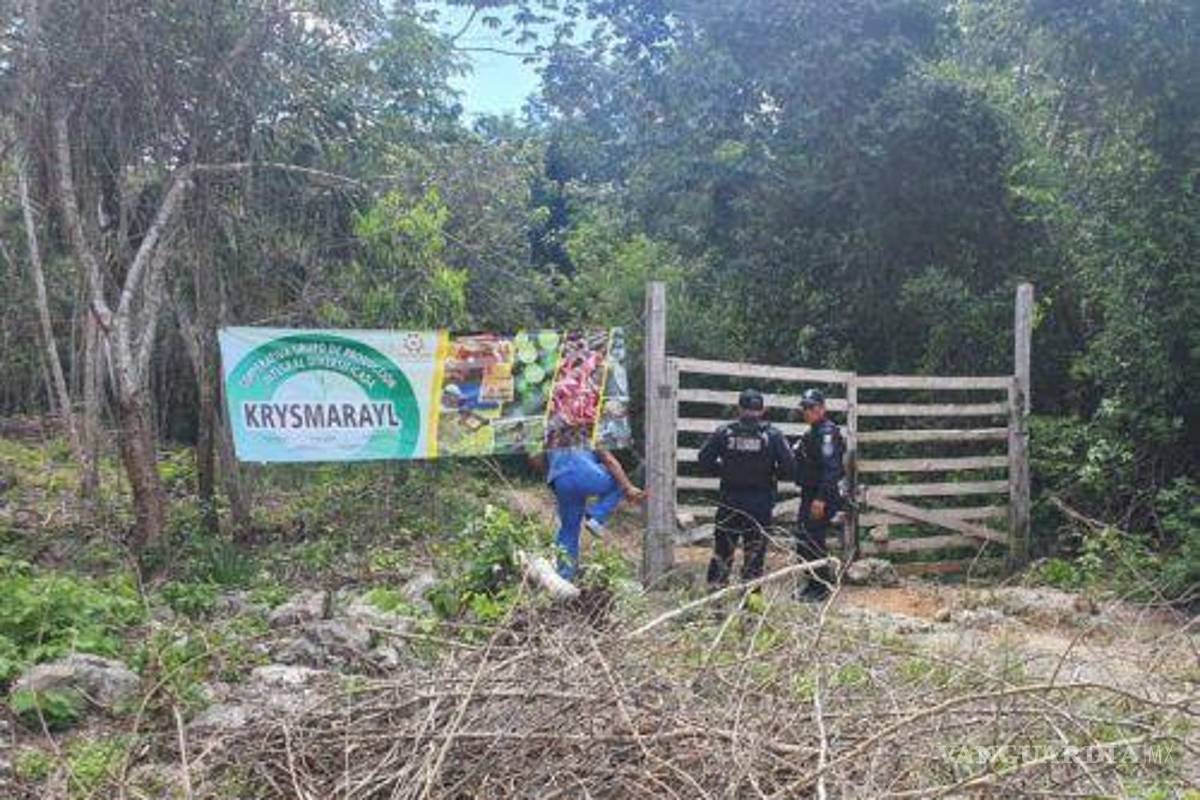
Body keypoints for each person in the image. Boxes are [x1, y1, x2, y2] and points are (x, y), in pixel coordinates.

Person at [697, 388, 795, 588]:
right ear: (763, 410)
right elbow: (790, 468)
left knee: (722, 554)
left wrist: (724, 472)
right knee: (755, 556)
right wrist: (772, 475)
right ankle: (751, 609)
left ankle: (714, 606)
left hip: (730, 500)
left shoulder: (724, 432)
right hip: (759, 502)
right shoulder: (772, 435)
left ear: (739, 408)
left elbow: (704, 460)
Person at [541, 437, 645, 581]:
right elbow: (610, 461)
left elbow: (534, 459)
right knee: (619, 480)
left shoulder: (553, 436)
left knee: (569, 528)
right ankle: (596, 516)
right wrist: (628, 487)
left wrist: (552, 479)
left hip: (560, 480)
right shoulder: (589, 432)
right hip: (584, 474)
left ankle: (565, 575)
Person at [793, 388, 846, 601]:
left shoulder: (826, 432)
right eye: (805, 407)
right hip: (811, 492)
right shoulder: (813, 431)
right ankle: (814, 583)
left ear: (822, 408)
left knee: (812, 540)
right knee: (805, 539)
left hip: (820, 494)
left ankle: (820, 587)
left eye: (811, 407)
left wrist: (821, 499)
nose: (807, 411)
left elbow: (831, 469)